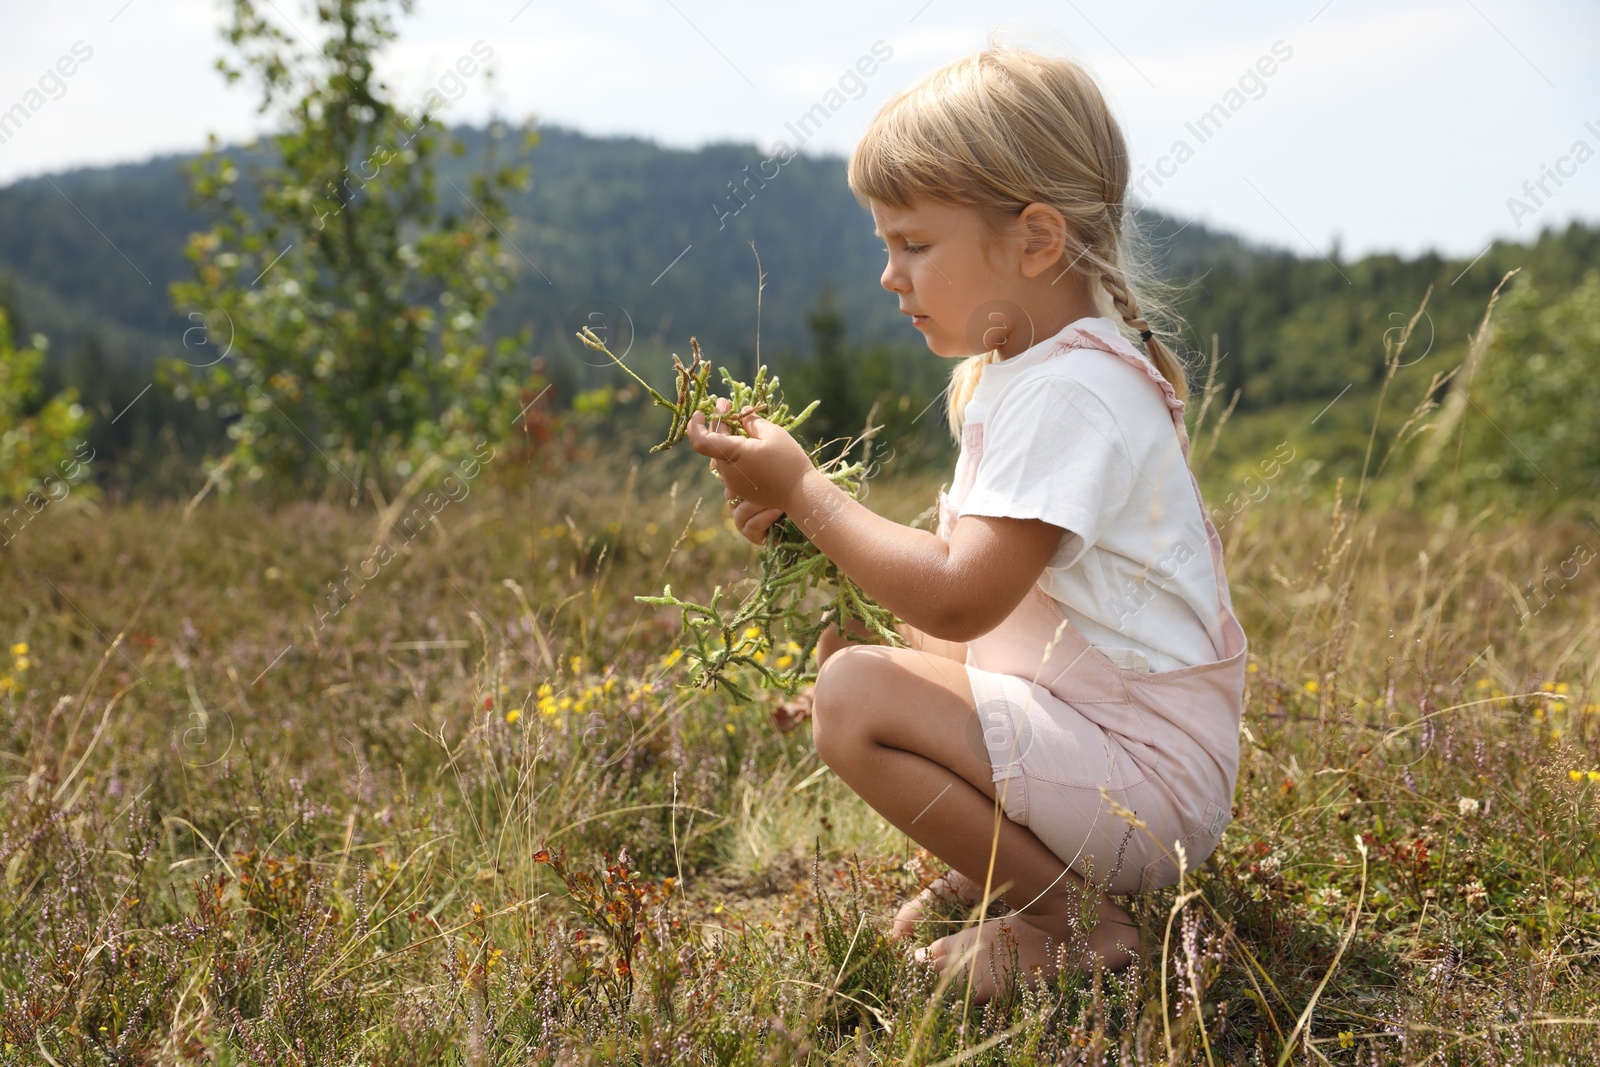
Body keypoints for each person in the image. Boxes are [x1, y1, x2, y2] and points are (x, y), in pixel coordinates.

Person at [684, 40, 1247, 1003]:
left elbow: (954, 598)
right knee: (858, 656)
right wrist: (801, 534)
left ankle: (1071, 919)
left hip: (1147, 787)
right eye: (885, 246)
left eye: (913, 244)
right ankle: (1017, 864)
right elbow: (981, 620)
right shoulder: (1049, 371)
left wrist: (812, 493)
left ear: (1034, 241)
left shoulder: (1068, 393)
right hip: (1125, 756)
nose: (889, 276)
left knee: (855, 697)